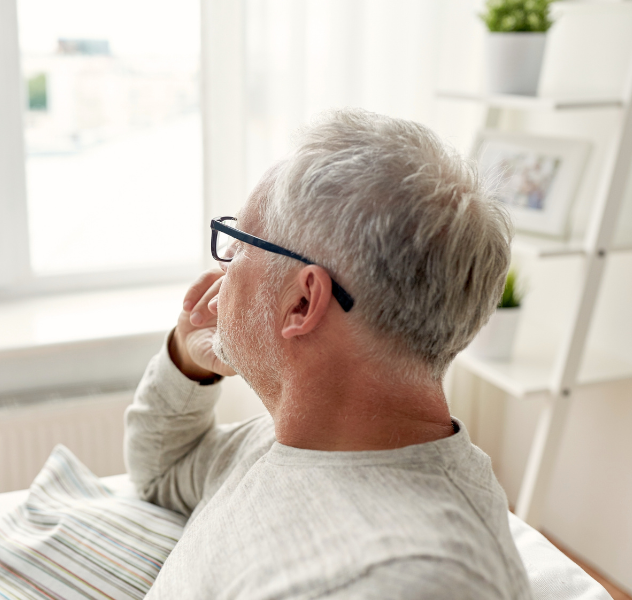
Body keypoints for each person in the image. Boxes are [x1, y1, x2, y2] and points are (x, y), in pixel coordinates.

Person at [124, 109, 533, 599]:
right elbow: (162, 468)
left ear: (301, 302)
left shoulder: (406, 579)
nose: (223, 271)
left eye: (238, 243)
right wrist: (189, 360)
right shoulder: (296, 436)